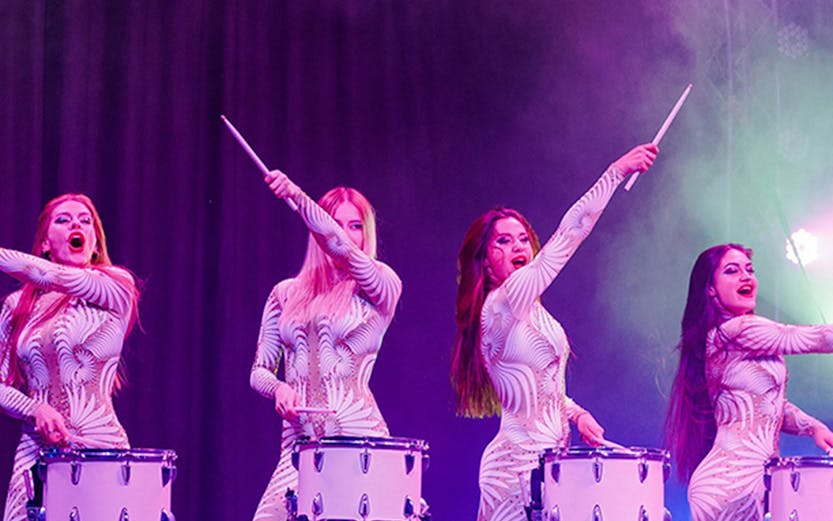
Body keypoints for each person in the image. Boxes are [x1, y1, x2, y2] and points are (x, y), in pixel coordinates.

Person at [451, 143, 658, 520]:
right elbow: (571, 232)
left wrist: (576, 415)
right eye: (503, 240)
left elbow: (544, 390)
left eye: (522, 238)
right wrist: (615, 172)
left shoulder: (534, 313)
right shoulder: (501, 302)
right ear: (485, 263)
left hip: (551, 465)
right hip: (514, 468)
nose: (518, 245)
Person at [250, 169, 402, 521]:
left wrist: (295, 194)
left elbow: (336, 244)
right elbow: (259, 370)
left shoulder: (380, 286)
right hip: (297, 448)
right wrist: (279, 389)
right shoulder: (284, 294)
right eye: (336, 223)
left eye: (356, 226)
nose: (346, 235)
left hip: (358, 441)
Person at [664, 243, 833, 521]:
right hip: (730, 485)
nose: (746, 277)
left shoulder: (743, 335)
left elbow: (769, 404)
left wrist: (813, 426)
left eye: (749, 270)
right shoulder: (735, 330)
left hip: (755, 481)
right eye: (732, 271)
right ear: (710, 289)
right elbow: (814, 337)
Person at [0, 193, 139, 521]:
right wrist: (34, 409)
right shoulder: (16, 306)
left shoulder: (115, 287)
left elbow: (48, 276)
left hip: (100, 445)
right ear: (46, 243)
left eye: (85, 220)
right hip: (36, 451)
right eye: (63, 219)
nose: (76, 223)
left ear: (93, 243)